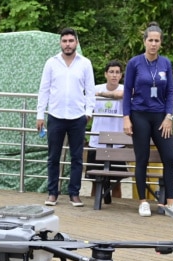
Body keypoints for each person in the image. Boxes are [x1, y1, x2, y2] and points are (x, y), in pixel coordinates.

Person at [123, 22, 173, 218]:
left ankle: (170, 202)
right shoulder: (134, 63)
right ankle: (143, 201)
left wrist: (169, 116)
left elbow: (170, 92)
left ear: (161, 43)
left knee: (169, 157)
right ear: (144, 42)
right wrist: (126, 117)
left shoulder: (165, 63)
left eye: (156, 40)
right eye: (150, 40)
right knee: (142, 158)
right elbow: (127, 91)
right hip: (139, 114)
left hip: (160, 116)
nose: (153, 44)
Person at [37, 27, 95, 207]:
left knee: (77, 157)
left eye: (71, 41)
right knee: (53, 157)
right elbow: (44, 90)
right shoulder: (51, 63)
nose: (68, 44)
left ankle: (74, 193)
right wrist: (40, 115)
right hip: (56, 115)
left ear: (76, 42)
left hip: (78, 116)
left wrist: (89, 112)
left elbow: (90, 90)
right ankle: (53, 193)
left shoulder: (85, 63)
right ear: (60, 43)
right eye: (65, 41)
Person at [87, 59, 125, 203]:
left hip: (117, 143)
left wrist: (101, 94)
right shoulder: (94, 88)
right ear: (105, 74)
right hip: (96, 142)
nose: (114, 75)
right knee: (95, 182)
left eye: (117, 72)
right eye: (111, 72)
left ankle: (116, 210)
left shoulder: (124, 89)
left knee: (116, 183)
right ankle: (93, 210)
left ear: (121, 75)